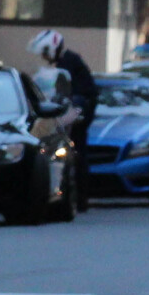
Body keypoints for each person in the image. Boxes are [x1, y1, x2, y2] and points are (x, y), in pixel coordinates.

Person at [30, 29, 96, 214]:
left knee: (77, 155)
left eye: (44, 52)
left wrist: (75, 113)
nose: (43, 57)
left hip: (75, 116)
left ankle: (80, 198)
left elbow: (82, 94)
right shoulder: (58, 65)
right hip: (61, 114)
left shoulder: (70, 63)